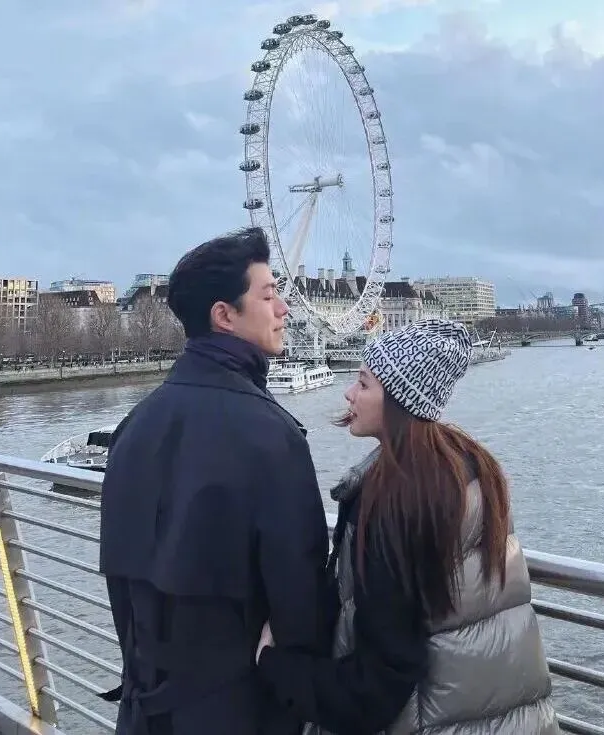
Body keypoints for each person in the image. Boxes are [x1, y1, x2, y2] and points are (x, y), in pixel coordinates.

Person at [256, 318, 559, 734]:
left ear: (400, 400)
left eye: (363, 383)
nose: (349, 393)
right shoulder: (469, 468)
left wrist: (277, 667)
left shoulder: (395, 503)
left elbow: (375, 688)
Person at [99, 227, 331, 735]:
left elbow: (122, 583)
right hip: (240, 711)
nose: (284, 310)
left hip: (143, 710)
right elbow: (300, 603)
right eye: (268, 296)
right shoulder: (272, 437)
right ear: (224, 315)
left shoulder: (133, 428)